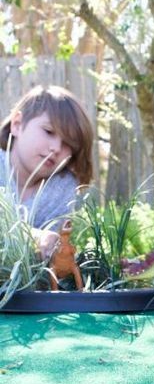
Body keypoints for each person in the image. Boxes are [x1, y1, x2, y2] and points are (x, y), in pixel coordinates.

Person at [0, 85, 94, 259]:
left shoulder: (62, 189)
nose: (56, 148)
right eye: (49, 131)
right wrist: (36, 237)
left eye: (68, 144)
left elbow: (46, 261)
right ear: (17, 125)